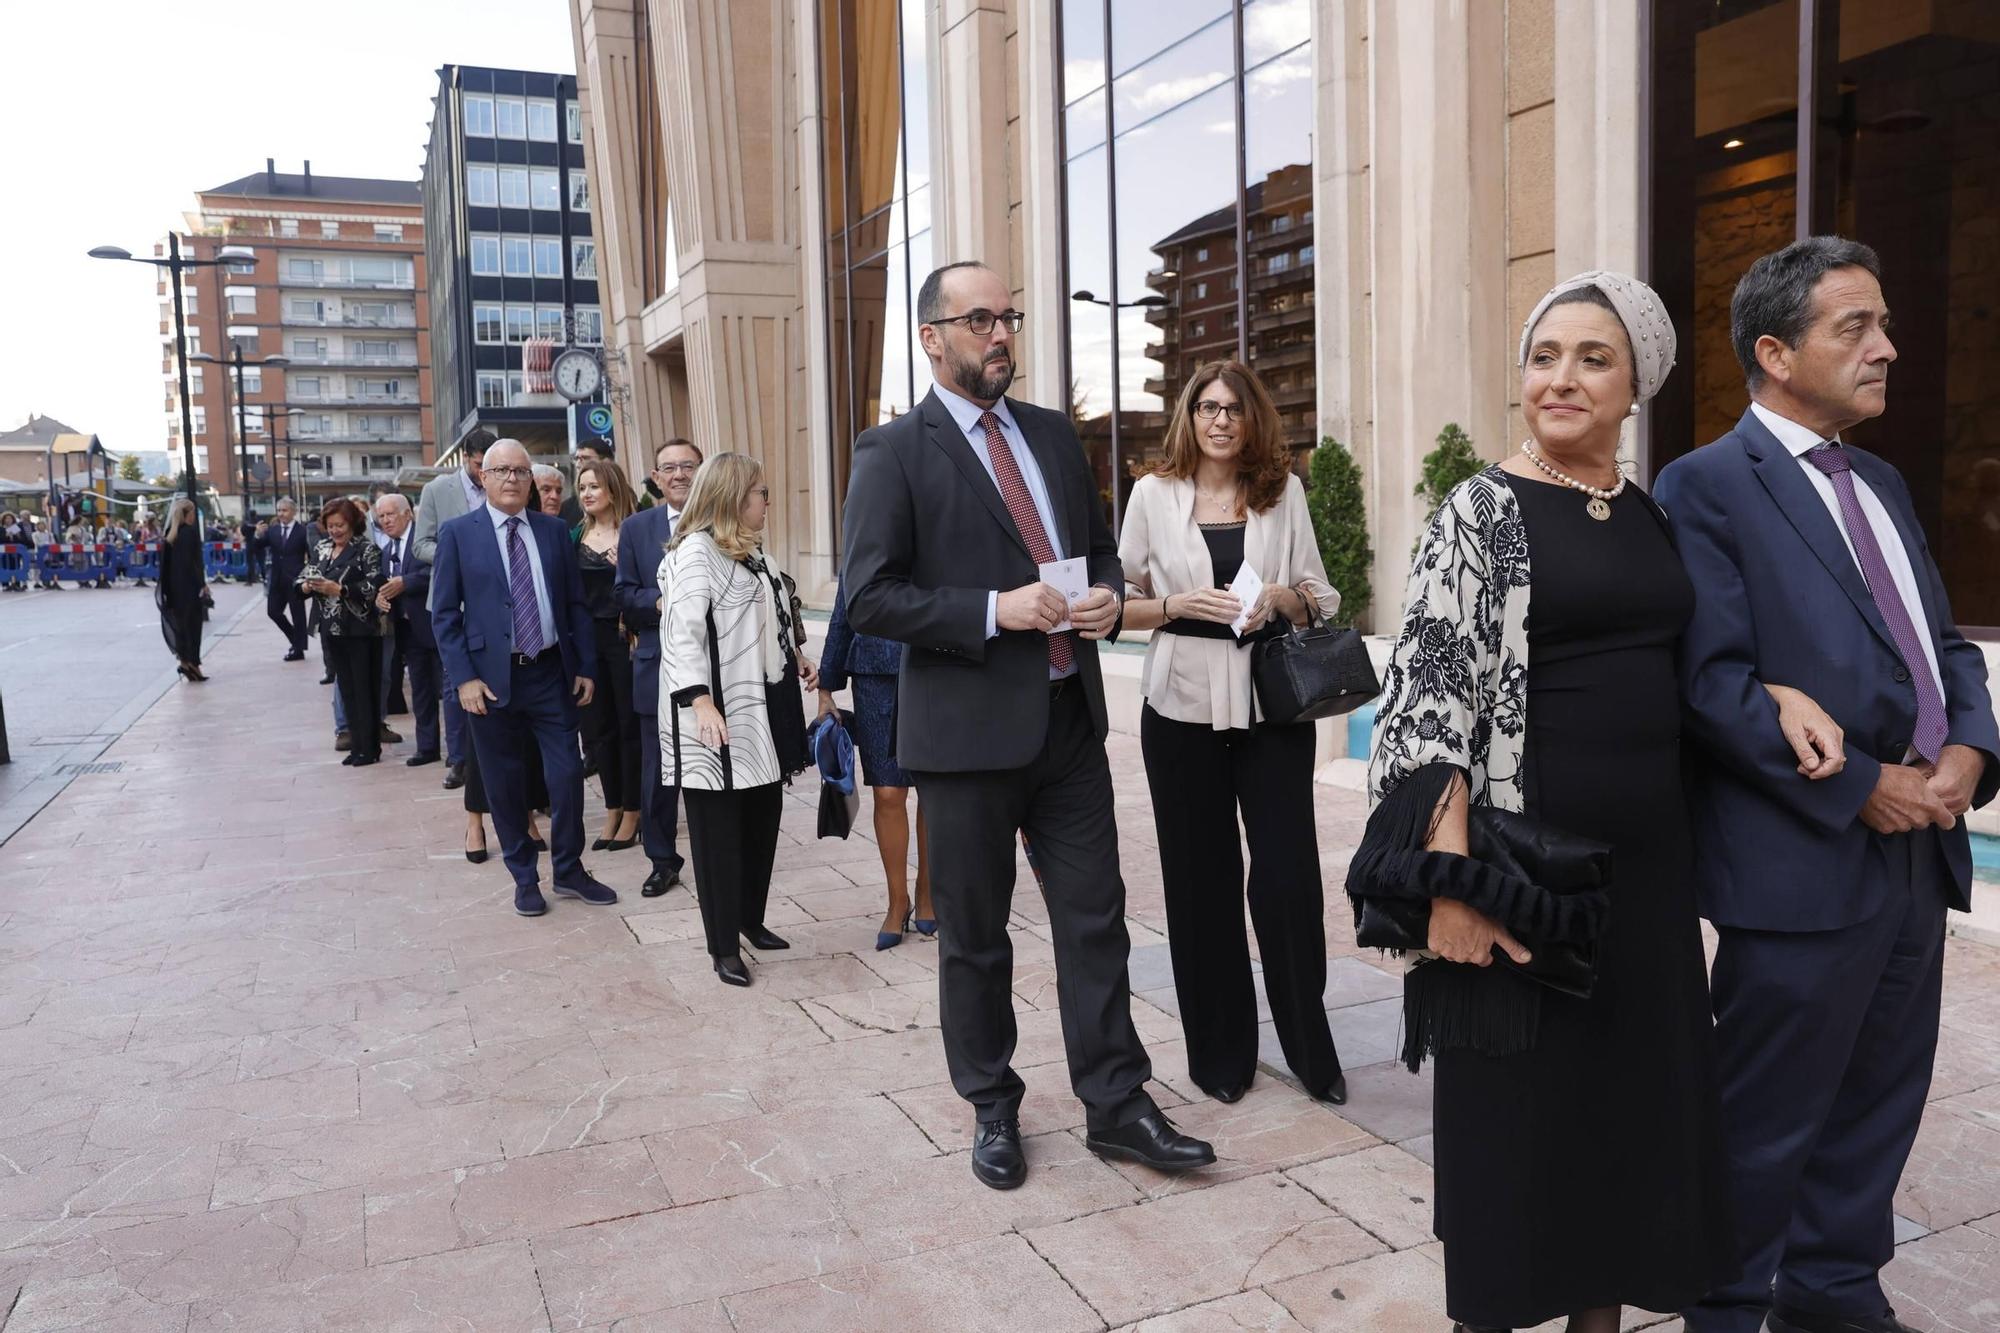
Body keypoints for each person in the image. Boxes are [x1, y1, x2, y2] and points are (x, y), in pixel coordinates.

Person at [1361, 272, 1843, 1333]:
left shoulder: (1647, 511)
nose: (1560, 378)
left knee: (1627, 1137)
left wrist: (1770, 690)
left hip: (1646, 884)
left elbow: (1679, 658)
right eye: (1543, 356)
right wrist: (1450, 890)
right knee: (1514, 1142)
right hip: (1523, 880)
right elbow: (1428, 706)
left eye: (1591, 357)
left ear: (1637, 384)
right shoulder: (1480, 510)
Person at [1656, 238, 2000, 1333]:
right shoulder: (1703, 484)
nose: (1885, 348)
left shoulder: (1882, 482)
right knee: (1763, 1115)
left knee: (1878, 1100)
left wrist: (1967, 753)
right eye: (1854, 327)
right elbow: (1709, 681)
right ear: (1772, 351)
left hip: (1916, 849)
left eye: (1881, 323)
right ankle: (1722, 1305)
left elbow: (1940, 645)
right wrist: (1856, 784)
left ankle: (1833, 1291)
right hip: (1798, 860)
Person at [841, 259, 1215, 1189]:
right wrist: (987, 611)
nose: (1000, 334)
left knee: (1097, 921)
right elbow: (868, 597)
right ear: (933, 337)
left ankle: (1117, 1104)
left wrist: (1102, 598)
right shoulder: (893, 451)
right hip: (964, 741)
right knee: (975, 936)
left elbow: (1095, 556)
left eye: (1008, 317)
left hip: (1066, 723)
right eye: (979, 320)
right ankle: (993, 1103)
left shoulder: (1052, 435)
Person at [1118, 360, 1347, 1107]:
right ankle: (1220, 1054)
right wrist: (1177, 604)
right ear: (1189, 417)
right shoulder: (1151, 496)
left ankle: (1310, 1048)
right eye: (1208, 407)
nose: (1220, 420)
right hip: (1179, 707)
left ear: (1253, 422)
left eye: (1234, 410)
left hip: (1269, 708)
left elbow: (1321, 593)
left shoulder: (1283, 494)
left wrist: (1285, 597)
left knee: (1286, 879)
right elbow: (1119, 601)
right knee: (1199, 883)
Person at [429, 439, 616, 916]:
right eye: (501, 471)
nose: (512, 479)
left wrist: (586, 667)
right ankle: (524, 877)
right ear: (483, 478)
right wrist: (464, 679)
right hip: (490, 683)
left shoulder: (554, 532)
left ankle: (570, 870)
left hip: (550, 673)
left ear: (531, 480)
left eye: (520, 471)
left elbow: (575, 604)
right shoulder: (458, 534)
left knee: (568, 774)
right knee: (504, 783)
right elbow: (445, 615)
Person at [660, 452, 817, 986]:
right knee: (719, 834)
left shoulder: (753, 553)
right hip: (717, 713)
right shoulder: (695, 554)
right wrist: (700, 701)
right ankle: (723, 945)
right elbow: (681, 635)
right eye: (760, 493)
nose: (767, 502)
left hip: (766, 708)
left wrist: (795, 652)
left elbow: (777, 607)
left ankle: (750, 919)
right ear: (732, 498)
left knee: (761, 823)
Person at [817, 578, 934, 949]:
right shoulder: (867, 520)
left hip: (936, 664)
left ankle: (928, 891)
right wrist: (826, 687)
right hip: (873, 671)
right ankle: (897, 900)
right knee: (887, 792)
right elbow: (844, 604)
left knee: (932, 790)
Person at [614, 437, 701, 897]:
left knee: (715, 763)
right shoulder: (636, 528)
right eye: (669, 468)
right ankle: (662, 860)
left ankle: (716, 854)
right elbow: (624, 594)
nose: (679, 475)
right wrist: (663, 601)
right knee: (660, 770)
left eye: (688, 465)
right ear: (655, 477)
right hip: (656, 665)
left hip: (716, 667)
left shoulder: (719, 521)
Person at [414, 430, 492, 791]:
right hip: (452, 599)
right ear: (466, 457)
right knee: (453, 681)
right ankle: (459, 759)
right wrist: (456, 556)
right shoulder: (436, 491)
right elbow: (420, 545)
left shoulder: (501, 484)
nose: (485, 473)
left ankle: (488, 756)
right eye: (480, 465)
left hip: (493, 600)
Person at [573, 458, 644, 850]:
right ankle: (613, 806)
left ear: (613, 490)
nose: (586, 494)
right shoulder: (574, 536)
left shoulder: (633, 534)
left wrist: (626, 569)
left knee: (628, 726)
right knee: (599, 730)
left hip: (625, 641)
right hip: (587, 642)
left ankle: (634, 809)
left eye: (594, 487)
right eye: (582, 487)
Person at [301, 498, 387, 768]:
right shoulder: (323, 547)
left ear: (352, 524)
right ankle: (356, 744)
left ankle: (370, 747)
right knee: (346, 688)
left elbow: (375, 583)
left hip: (360, 628)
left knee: (364, 688)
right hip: (332, 628)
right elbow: (306, 574)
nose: (335, 531)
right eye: (330, 526)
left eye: (340, 525)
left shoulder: (366, 549)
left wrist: (341, 590)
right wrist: (305, 586)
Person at [374, 493, 441, 767]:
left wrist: (407, 582)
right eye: (381, 517)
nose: (386, 521)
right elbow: (385, 583)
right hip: (406, 630)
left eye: (391, 514)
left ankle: (461, 753)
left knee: (449, 690)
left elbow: (439, 570)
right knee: (421, 690)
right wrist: (380, 598)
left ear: (407, 514)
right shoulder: (387, 550)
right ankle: (427, 747)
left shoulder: (423, 541)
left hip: (434, 625)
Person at [156, 498, 209, 681]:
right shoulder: (190, 533)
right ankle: (194, 665)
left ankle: (184, 662)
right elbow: (194, 562)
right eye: (193, 513)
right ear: (188, 514)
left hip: (173, 589)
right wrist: (202, 584)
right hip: (189, 587)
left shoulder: (170, 535)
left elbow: (164, 566)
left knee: (181, 627)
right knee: (194, 626)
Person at [261, 498, 313, 661]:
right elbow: (257, 546)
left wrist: (308, 575)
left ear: (293, 512)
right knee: (273, 612)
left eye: (284, 510)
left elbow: (312, 555)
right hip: (276, 579)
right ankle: (295, 640)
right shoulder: (273, 530)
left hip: (295, 579)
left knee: (298, 615)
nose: (281, 514)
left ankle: (298, 649)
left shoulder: (302, 531)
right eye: (279, 510)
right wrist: (257, 535)